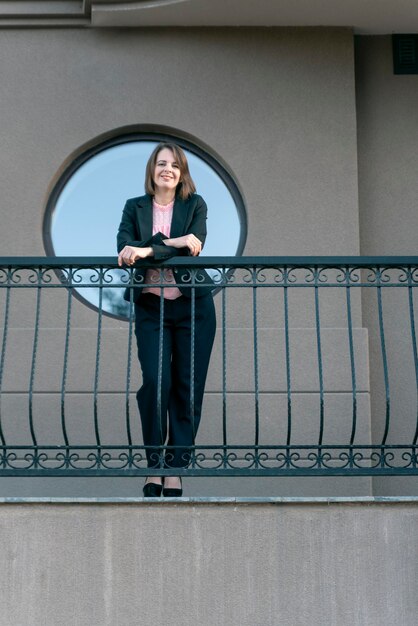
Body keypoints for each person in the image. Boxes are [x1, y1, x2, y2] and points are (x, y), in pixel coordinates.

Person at [117, 143, 216, 497]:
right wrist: (166, 245)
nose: (168, 170)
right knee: (156, 383)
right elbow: (127, 252)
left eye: (175, 165)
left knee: (187, 389)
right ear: (152, 169)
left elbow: (195, 245)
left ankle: (174, 469)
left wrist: (148, 248)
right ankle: (154, 462)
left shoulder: (195, 204)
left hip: (194, 308)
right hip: (151, 307)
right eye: (161, 163)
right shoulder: (134, 207)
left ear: (182, 172)